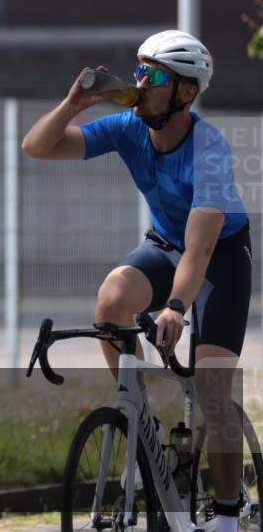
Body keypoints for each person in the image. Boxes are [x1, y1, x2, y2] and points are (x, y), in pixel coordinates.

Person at [22, 29, 251, 532]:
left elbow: (202, 248)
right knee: (110, 302)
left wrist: (175, 308)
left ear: (186, 92)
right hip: (167, 245)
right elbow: (37, 147)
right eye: (139, 69)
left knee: (213, 385)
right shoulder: (128, 126)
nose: (140, 82)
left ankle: (230, 518)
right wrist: (72, 103)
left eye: (155, 75)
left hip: (219, 256)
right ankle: (141, 424)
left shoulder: (209, 149)